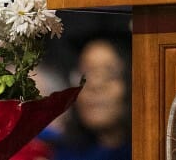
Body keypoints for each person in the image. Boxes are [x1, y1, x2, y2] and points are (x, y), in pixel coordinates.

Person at [50, 32, 132, 160]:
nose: (94, 84)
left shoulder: (155, 152)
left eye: (110, 74)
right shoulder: (56, 153)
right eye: (85, 75)